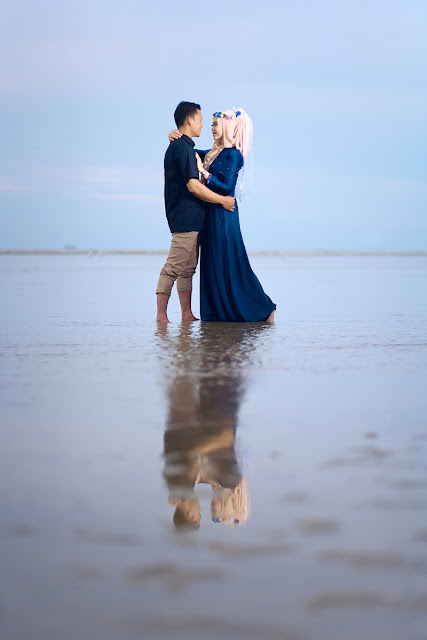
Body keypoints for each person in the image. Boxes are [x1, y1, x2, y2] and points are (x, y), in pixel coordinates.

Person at [168, 108, 276, 323]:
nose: (211, 128)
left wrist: (204, 173)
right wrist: (175, 137)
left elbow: (227, 188)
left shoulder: (234, 154)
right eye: (210, 124)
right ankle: (217, 314)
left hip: (224, 216)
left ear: (228, 126)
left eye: (216, 124)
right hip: (210, 214)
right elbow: (188, 150)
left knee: (231, 264)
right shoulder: (213, 152)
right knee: (212, 265)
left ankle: (263, 309)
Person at [156, 101, 235, 323]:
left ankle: (186, 314)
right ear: (190, 120)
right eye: (200, 120)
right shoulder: (182, 149)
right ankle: (161, 316)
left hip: (191, 218)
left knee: (187, 269)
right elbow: (192, 185)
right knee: (172, 267)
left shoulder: (185, 147)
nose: (202, 125)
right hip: (185, 218)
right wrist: (222, 200)